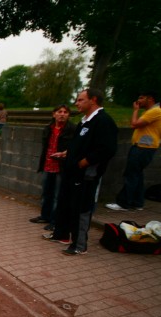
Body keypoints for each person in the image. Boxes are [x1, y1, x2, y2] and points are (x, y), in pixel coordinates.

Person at [47, 88, 118, 256]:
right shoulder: (84, 120)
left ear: (93, 100)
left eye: (80, 100)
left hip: (86, 175)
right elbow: (78, 145)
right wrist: (66, 154)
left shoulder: (103, 121)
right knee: (66, 203)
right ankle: (62, 234)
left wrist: (83, 162)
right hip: (71, 172)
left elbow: (107, 149)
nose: (76, 103)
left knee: (81, 208)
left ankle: (79, 245)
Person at [106, 90, 161, 211]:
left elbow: (134, 124)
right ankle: (137, 202)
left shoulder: (154, 111)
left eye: (141, 98)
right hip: (145, 147)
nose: (138, 101)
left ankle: (124, 203)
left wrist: (135, 110)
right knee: (137, 175)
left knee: (131, 175)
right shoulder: (152, 111)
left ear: (150, 99)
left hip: (143, 147)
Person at [29, 105, 76, 230]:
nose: (62, 114)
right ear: (54, 114)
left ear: (68, 115)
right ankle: (45, 216)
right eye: (59, 112)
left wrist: (65, 154)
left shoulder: (72, 129)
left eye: (65, 112)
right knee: (46, 193)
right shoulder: (48, 128)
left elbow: (75, 147)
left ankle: (56, 221)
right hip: (47, 165)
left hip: (61, 166)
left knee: (58, 195)